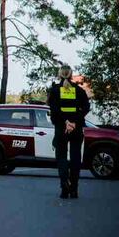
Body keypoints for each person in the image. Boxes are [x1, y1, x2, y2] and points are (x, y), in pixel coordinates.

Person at [48, 64, 90, 199]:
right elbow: (86, 107)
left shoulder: (55, 90)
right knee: (75, 158)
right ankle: (74, 189)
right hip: (76, 129)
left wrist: (66, 122)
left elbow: (54, 109)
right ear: (71, 75)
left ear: (59, 74)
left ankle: (64, 186)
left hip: (61, 128)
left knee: (61, 157)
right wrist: (74, 122)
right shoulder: (79, 90)